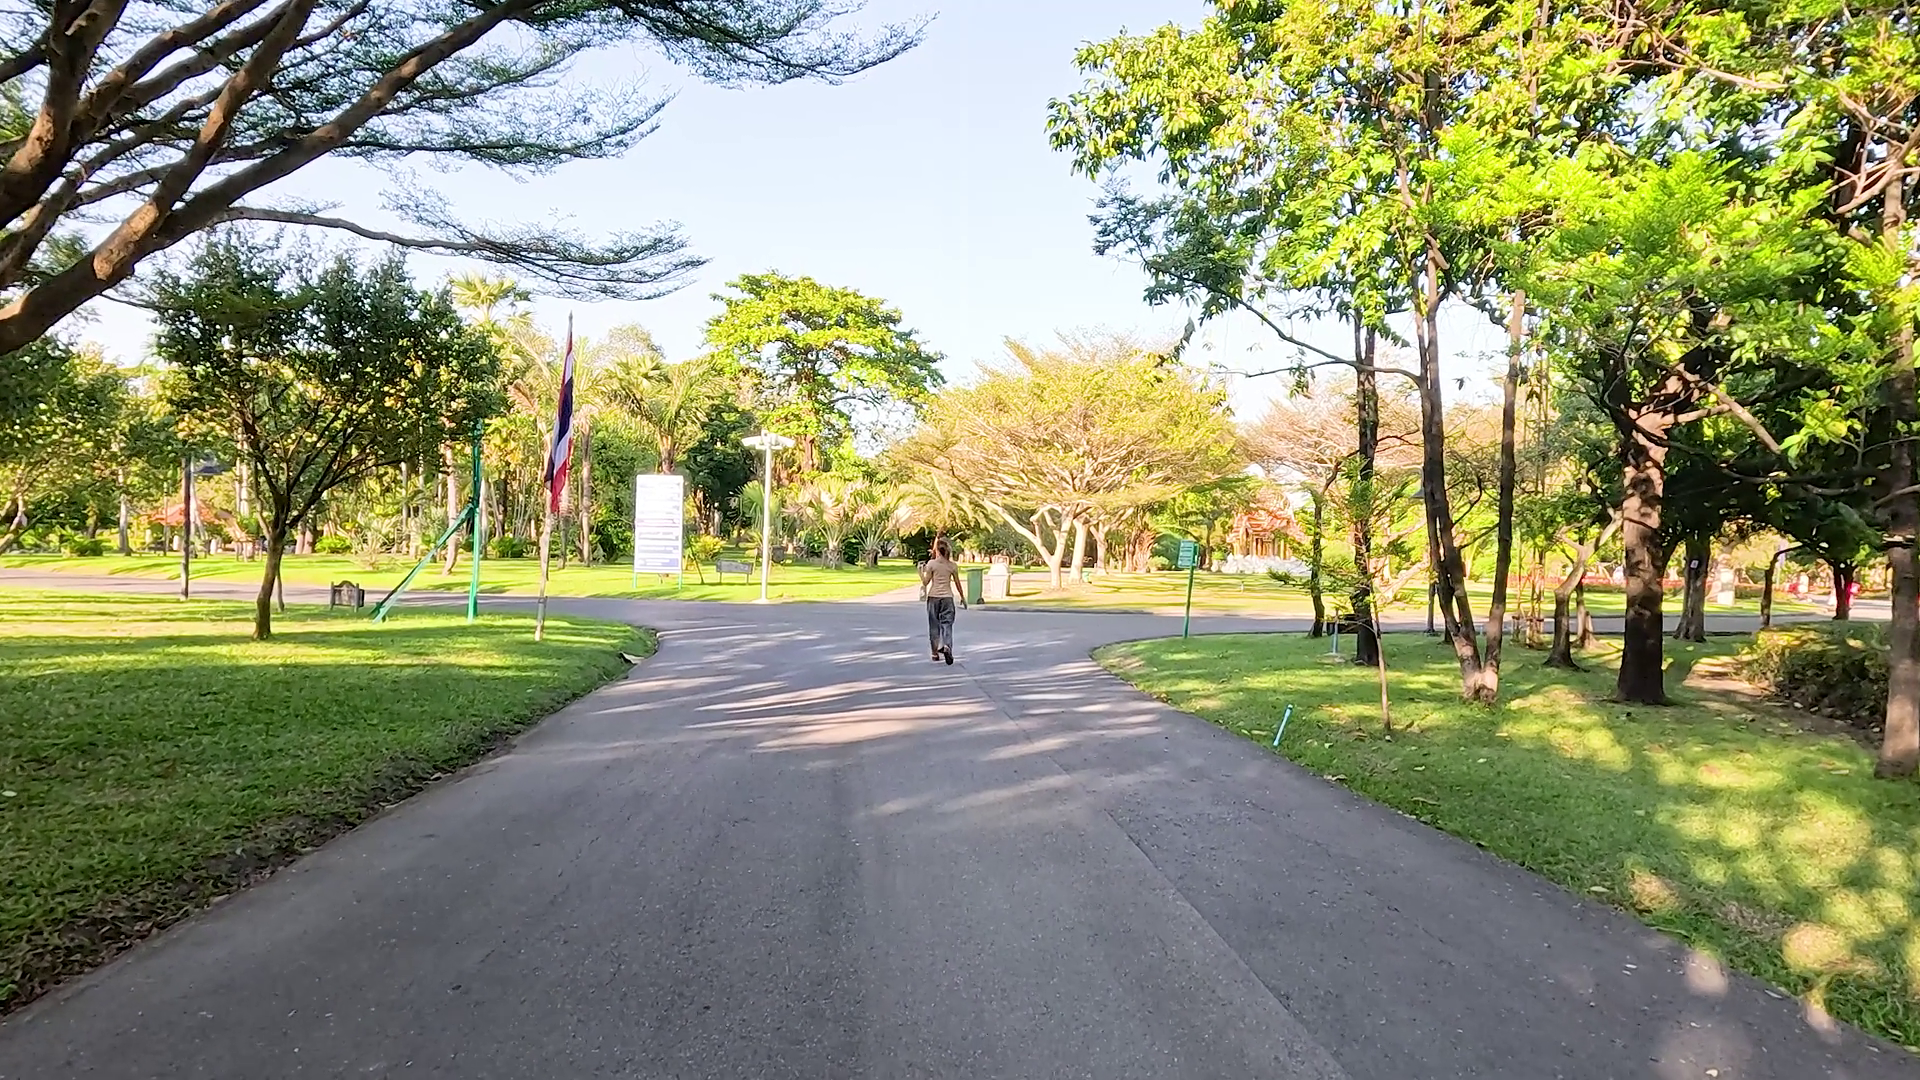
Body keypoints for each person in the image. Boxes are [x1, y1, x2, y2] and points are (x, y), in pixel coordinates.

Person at [919, 538, 967, 664]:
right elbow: (957, 583)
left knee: (934, 626)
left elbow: (925, 582)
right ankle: (947, 646)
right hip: (947, 598)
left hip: (933, 598)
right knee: (947, 625)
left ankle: (935, 653)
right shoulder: (952, 566)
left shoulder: (931, 564)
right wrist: (962, 597)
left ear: (937, 550)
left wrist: (920, 572)